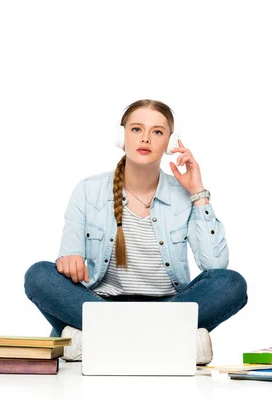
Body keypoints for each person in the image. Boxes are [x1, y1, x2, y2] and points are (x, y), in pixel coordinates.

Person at [23, 99, 248, 365]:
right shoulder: (88, 190)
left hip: (169, 308)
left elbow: (215, 265)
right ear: (122, 136)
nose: (146, 138)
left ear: (169, 143)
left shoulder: (183, 195)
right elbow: (69, 254)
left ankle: (93, 343)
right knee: (38, 275)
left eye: (157, 132)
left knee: (232, 283)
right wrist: (70, 259)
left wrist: (198, 193)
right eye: (137, 129)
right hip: (99, 306)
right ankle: (172, 344)